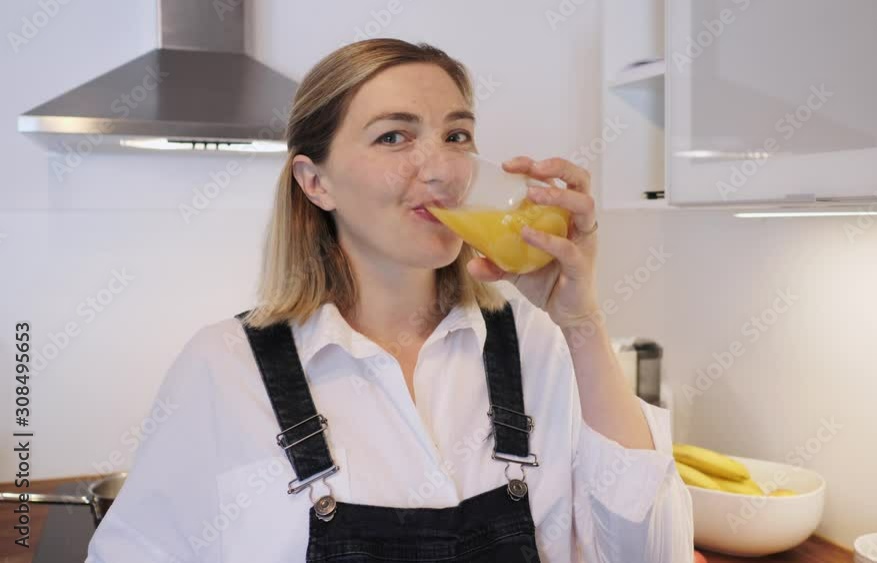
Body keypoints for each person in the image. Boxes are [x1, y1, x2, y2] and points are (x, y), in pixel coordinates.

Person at [86, 38, 692, 563]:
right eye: (394, 137)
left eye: (456, 136)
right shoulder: (224, 367)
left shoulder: (537, 344)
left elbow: (654, 553)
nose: (441, 170)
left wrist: (581, 323)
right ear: (315, 182)